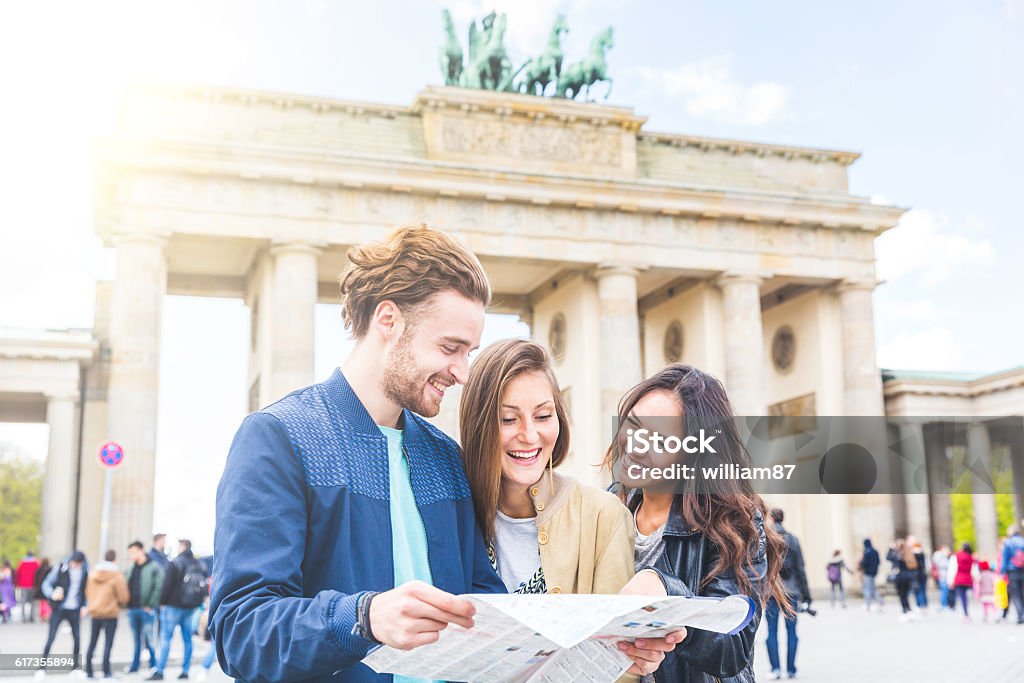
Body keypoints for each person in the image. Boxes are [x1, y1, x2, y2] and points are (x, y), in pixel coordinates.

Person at [209, 226, 527, 682]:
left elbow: (484, 607)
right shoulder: (278, 438)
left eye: (469, 352)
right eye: (449, 347)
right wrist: (365, 617)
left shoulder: (446, 457)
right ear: (388, 320)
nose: (462, 372)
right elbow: (241, 632)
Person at [603, 364, 791, 682]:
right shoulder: (609, 504)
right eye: (632, 425)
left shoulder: (733, 523)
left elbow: (734, 646)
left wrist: (668, 595)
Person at [460, 339, 635, 596]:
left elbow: (617, 632)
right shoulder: (451, 512)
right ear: (477, 424)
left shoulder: (603, 516)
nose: (530, 435)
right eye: (508, 419)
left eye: (543, 416)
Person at [148, 540, 207, 680]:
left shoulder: (175, 563)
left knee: (166, 637)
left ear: (182, 547)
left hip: (172, 606)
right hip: (190, 607)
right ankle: (185, 671)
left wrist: (161, 602)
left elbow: (167, 584)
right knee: (188, 639)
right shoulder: (199, 564)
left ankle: (160, 670)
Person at [763, 509, 808, 680]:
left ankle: (775, 669)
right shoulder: (793, 539)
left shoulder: (766, 539)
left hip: (772, 590)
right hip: (792, 591)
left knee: (771, 631)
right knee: (792, 631)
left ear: (772, 519)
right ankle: (791, 669)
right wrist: (807, 595)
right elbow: (800, 569)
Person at [39, 551, 89, 676]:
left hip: (75, 609)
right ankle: (41, 668)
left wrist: (84, 606)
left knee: (77, 638)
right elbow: (45, 584)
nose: (73, 566)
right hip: (59, 608)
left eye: (76, 564)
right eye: (72, 563)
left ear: (81, 563)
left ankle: (75, 668)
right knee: (51, 637)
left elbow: (87, 590)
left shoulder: (86, 571)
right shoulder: (61, 568)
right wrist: (52, 594)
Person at [84, 549, 129, 679]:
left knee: (92, 642)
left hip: (95, 612)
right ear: (115, 559)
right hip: (110, 614)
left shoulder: (93, 574)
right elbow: (123, 597)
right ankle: (106, 671)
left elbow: (87, 592)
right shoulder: (116, 575)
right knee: (108, 643)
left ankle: (89, 671)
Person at [125, 540, 164, 674]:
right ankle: (134, 666)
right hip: (132, 609)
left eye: (134, 551)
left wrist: (151, 605)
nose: (132, 555)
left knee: (149, 638)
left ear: (141, 550)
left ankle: (153, 665)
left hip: (146, 609)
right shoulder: (131, 567)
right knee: (136, 640)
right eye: (130, 552)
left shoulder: (153, 566)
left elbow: (159, 587)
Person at [886, 539, 918, 620]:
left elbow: (888, 557)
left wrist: (891, 549)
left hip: (900, 577)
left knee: (902, 595)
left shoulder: (897, 555)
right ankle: (909, 609)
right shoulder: (909, 554)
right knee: (905, 594)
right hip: (908, 577)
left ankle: (905, 610)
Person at [1001, 523, 1024, 624]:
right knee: (1022, 592)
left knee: (1015, 593)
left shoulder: (1008, 542)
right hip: (1022, 569)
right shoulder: (1023, 541)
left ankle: (1020, 614)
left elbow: (1005, 559)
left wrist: (1002, 572)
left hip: (1013, 570)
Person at [951, 541, 975, 622]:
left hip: (959, 579)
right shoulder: (970, 557)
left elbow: (953, 569)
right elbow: (973, 570)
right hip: (968, 580)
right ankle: (966, 613)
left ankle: (965, 614)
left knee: (962, 597)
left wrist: (951, 580)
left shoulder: (956, 556)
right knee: (966, 596)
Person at [859, 538, 884, 612]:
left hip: (868, 572)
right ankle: (880, 602)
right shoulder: (875, 551)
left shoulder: (867, 552)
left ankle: (869, 604)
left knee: (866, 588)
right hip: (874, 572)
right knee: (872, 588)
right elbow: (879, 561)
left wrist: (861, 563)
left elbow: (864, 562)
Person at [16, 550, 40, 623]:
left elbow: (18, 573)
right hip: (32, 585)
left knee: (23, 601)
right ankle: (31, 616)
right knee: (33, 601)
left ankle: (23, 617)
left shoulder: (22, 563)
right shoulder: (36, 563)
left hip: (23, 585)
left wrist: (17, 583)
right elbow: (38, 574)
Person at [909, 536, 929, 610]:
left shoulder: (913, 555)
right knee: (923, 589)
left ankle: (919, 604)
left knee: (918, 589)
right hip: (923, 573)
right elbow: (927, 565)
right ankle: (925, 604)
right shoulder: (923, 554)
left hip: (916, 574)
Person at [931, 545, 951, 611]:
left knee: (945, 590)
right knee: (944, 590)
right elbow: (944, 565)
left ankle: (944, 604)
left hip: (944, 575)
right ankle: (943, 605)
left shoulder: (943, 556)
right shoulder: (940, 556)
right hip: (943, 575)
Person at [33, 558, 52, 623]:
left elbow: (35, 580)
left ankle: (43, 615)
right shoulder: (50, 569)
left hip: (40, 588)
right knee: (48, 602)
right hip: (48, 588)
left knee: (42, 603)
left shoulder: (39, 570)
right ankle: (47, 615)